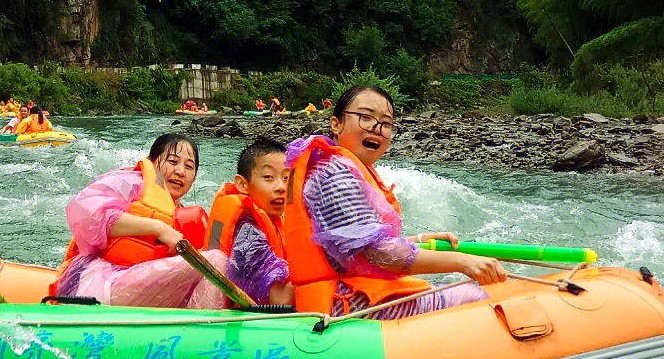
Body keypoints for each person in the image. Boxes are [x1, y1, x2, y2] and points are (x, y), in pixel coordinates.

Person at [283, 83, 505, 319]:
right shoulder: (333, 174)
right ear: (336, 124)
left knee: (450, 286)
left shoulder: (338, 167)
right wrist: (462, 262)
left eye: (386, 123)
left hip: (349, 292)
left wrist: (419, 240)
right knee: (471, 297)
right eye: (366, 117)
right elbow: (380, 253)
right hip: (346, 304)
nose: (377, 128)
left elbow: (358, 248)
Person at [51, 133, 226, 308]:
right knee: (215, 261)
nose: (180, 171)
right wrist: (159, 228)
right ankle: (204, 330)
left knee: (215, 264)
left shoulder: (185, 215)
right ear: (152, 162)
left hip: (137, 288)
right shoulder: (132, 182)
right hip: (97, 285)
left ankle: (198, 327)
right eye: (172, 162)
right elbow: (88, 216)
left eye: (189, 167)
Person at [205, 138, 293, 307]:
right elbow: (279, 300)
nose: (281, 187)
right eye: (268, 177)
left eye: (286, 177)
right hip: (231, 322)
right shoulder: (246, 230)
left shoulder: (274, 221)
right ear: (242, 184)